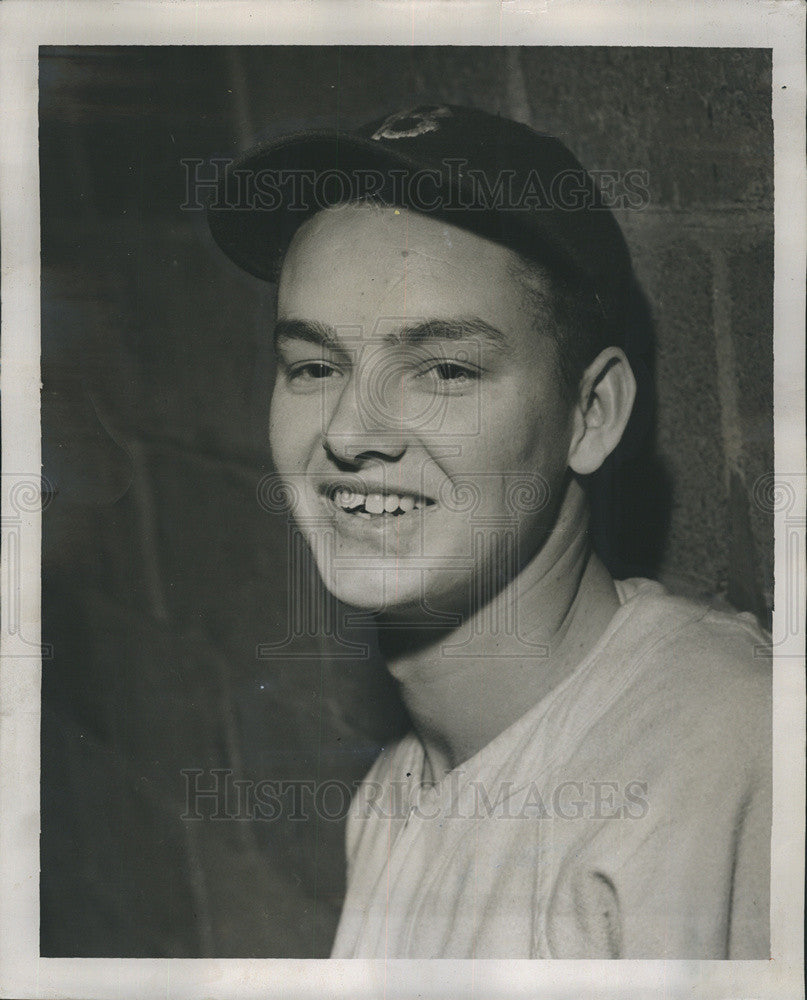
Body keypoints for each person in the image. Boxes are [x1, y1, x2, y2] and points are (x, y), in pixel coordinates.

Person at [207, 105, 771, 959]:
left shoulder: (725, 755)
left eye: (443, 370)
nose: (351, 434)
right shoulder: (393, 794)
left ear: (591, 413)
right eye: (314, 367)